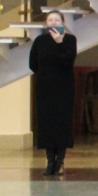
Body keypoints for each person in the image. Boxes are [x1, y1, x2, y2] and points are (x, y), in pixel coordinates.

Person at [28, 10, 77, 177]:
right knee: (47, 124)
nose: (54, 22)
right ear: (46, 23)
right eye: (50, 20)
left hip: (64, 87)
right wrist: (45, 75)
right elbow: (33, 63)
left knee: (62, 124)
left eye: (57, 20)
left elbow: (68, 61)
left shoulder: (69, 40)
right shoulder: (39, 41)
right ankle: (49, 162)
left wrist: (59, 43)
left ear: (63, 22)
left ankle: (60, 161)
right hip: (45, 87)